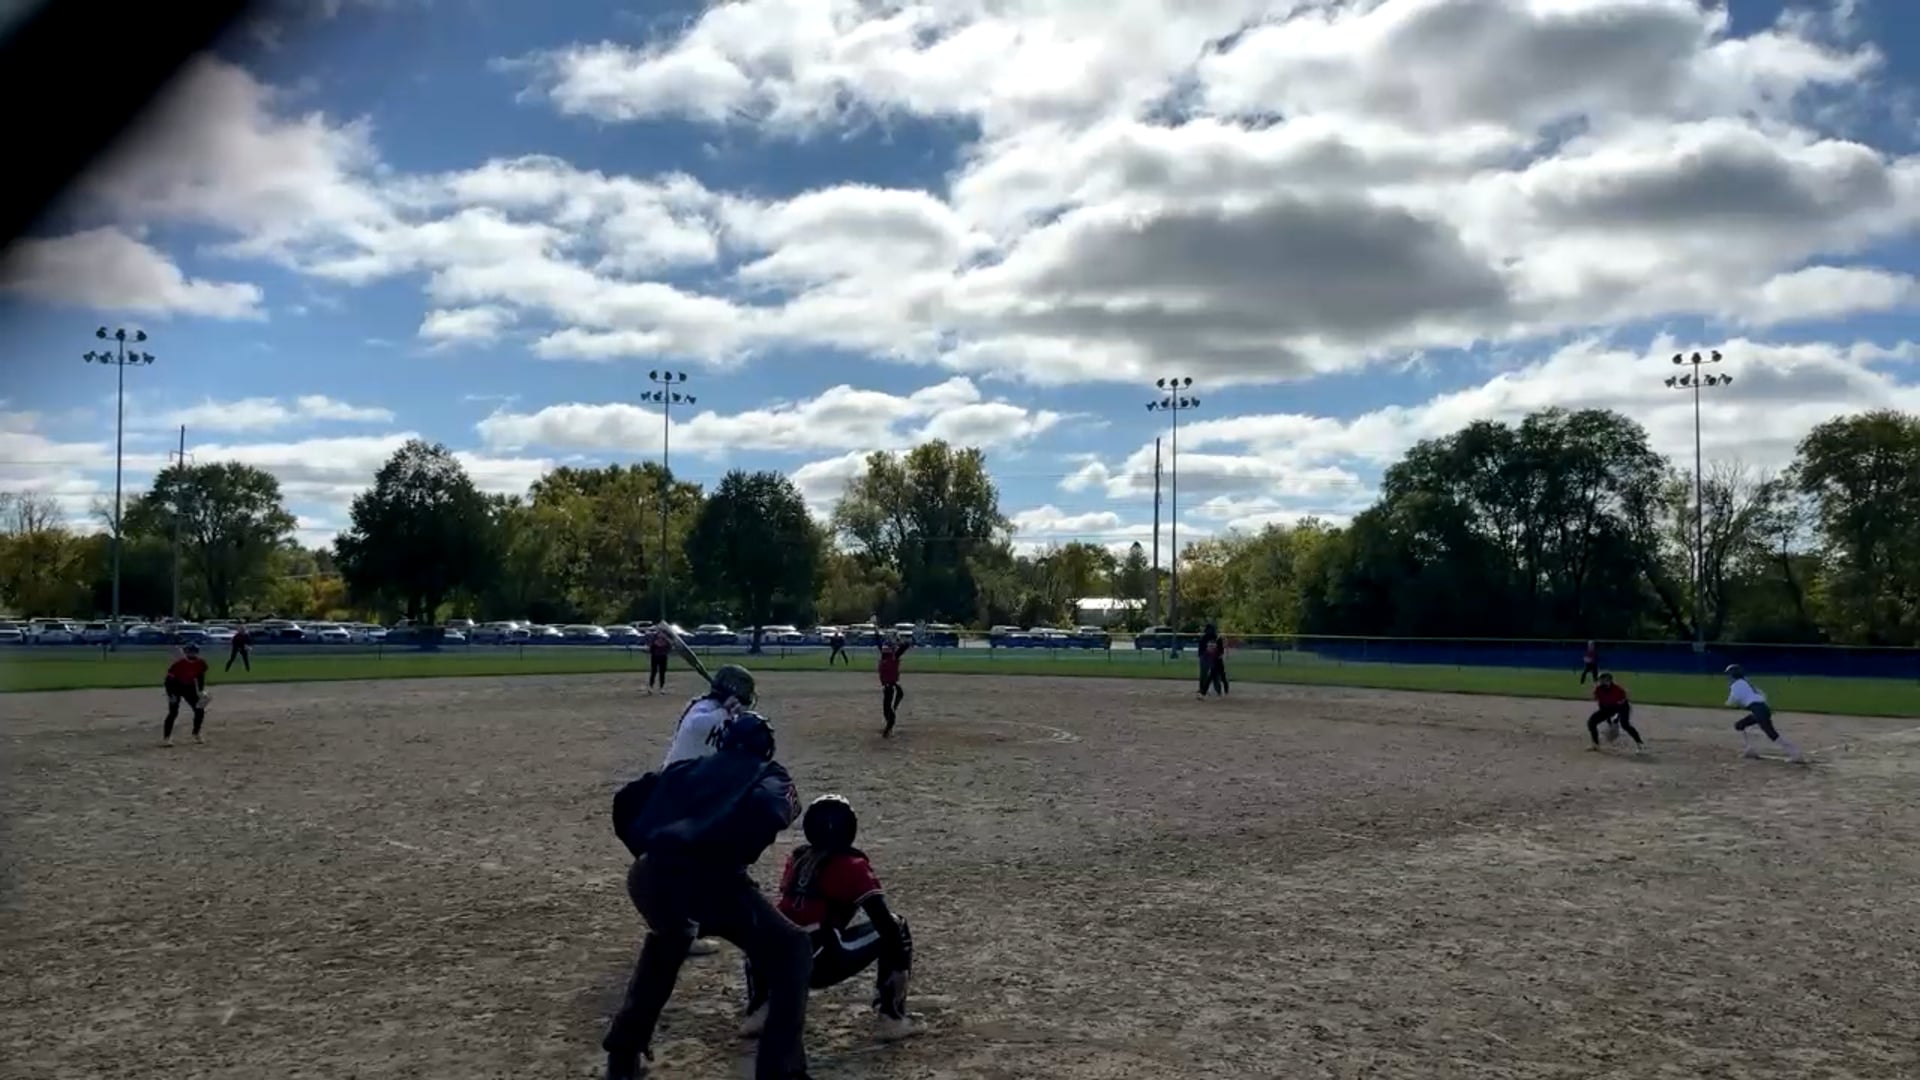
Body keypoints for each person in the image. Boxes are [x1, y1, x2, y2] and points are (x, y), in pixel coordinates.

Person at [606, 710, 811, 1080]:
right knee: (792, 950)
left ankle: (623, 1055)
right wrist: (722, 847)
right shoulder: (768, 772)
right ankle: (780, 1071)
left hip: (649, 873)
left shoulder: (686, 768)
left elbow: (626, 800)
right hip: (709, 878)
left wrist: (649, 846)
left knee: (669, 940)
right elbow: (772, 809)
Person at [739, 794, 921, 1043]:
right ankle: (892, 1017)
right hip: (818, 961)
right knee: (896, 927)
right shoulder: (851, 864)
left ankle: (760, 1008)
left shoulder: (797, 859)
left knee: (766, 933)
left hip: (776, 961)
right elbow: (883, 923)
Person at [662, 663, 758, 956]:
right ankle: (682, 933)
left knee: (702, 860)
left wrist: (734, 715)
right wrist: (724, 713)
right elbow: (697, 725)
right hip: (678, 795)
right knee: (688, 867)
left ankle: (695, 922)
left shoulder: (720, 712)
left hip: (692, 794)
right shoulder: (703, 709)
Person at [1726, 664, 1804, 763]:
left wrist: (1729, 699)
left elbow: (1732, 701)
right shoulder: (1746, 682)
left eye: (1729, 674)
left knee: (1772, 734)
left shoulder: (1736, 685)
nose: (1728, 676)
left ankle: (1795, 753)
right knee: (1739, 725)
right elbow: (1761, 694)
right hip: (1762, 708)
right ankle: (1750, 750)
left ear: (1733, 675)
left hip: (1759, 711)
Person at [162, 643, 211, 747]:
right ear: (186, 652)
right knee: (173, 712)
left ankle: (196, 733)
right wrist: (171, 695)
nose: (192, 654)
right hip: (175, 687)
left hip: (189, 687)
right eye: (189, 651)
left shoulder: (201, 663)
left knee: (199, 710)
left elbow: (200, 677)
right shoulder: (179, 663)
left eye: (194, 651)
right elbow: (168, 680)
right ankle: (167, 737)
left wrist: (201, 691)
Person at [1586, 672, 1644, 753]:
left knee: (1624, 724)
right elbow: (1601, 704)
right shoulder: (1598, 690)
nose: (1600, 682)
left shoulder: (1617, 690)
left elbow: (1621, 705)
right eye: (1600, 680)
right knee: (1591, 722)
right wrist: (1608, 720)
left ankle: (1639, 743)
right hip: (1609, 707)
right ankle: (1595, 745)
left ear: (1609, 681)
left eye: (1603, 680)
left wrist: (1616, 719)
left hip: (1622, 707)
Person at [877, 632, 912, 737]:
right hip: (889, 688)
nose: (884, 651)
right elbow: (880, 644)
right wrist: (876, 633)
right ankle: (889, 727)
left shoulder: (893, 657)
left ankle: (888, 729)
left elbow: (904, 646)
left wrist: (899, 641)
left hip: (893, 688)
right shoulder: (887, 658)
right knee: (887, 710)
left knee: (888, 709)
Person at [1196, 622, 1220, 697]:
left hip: (1209, 657)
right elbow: (1201, 650)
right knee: (1209, 674)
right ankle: (1215, 689)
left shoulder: (1212, 637)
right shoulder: (1207, 637)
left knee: (1209, 674)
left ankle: (1213, 689)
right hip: (1207, 656)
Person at [645, 628, 671, 695]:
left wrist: (665, 642)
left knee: (662, 673)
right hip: (655, 657)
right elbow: (651, 648)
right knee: (653, 672)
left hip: (663, 657)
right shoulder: (654, 639)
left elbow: (669, 648)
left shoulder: (666, 640)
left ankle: (662, 688)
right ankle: (651, 687)